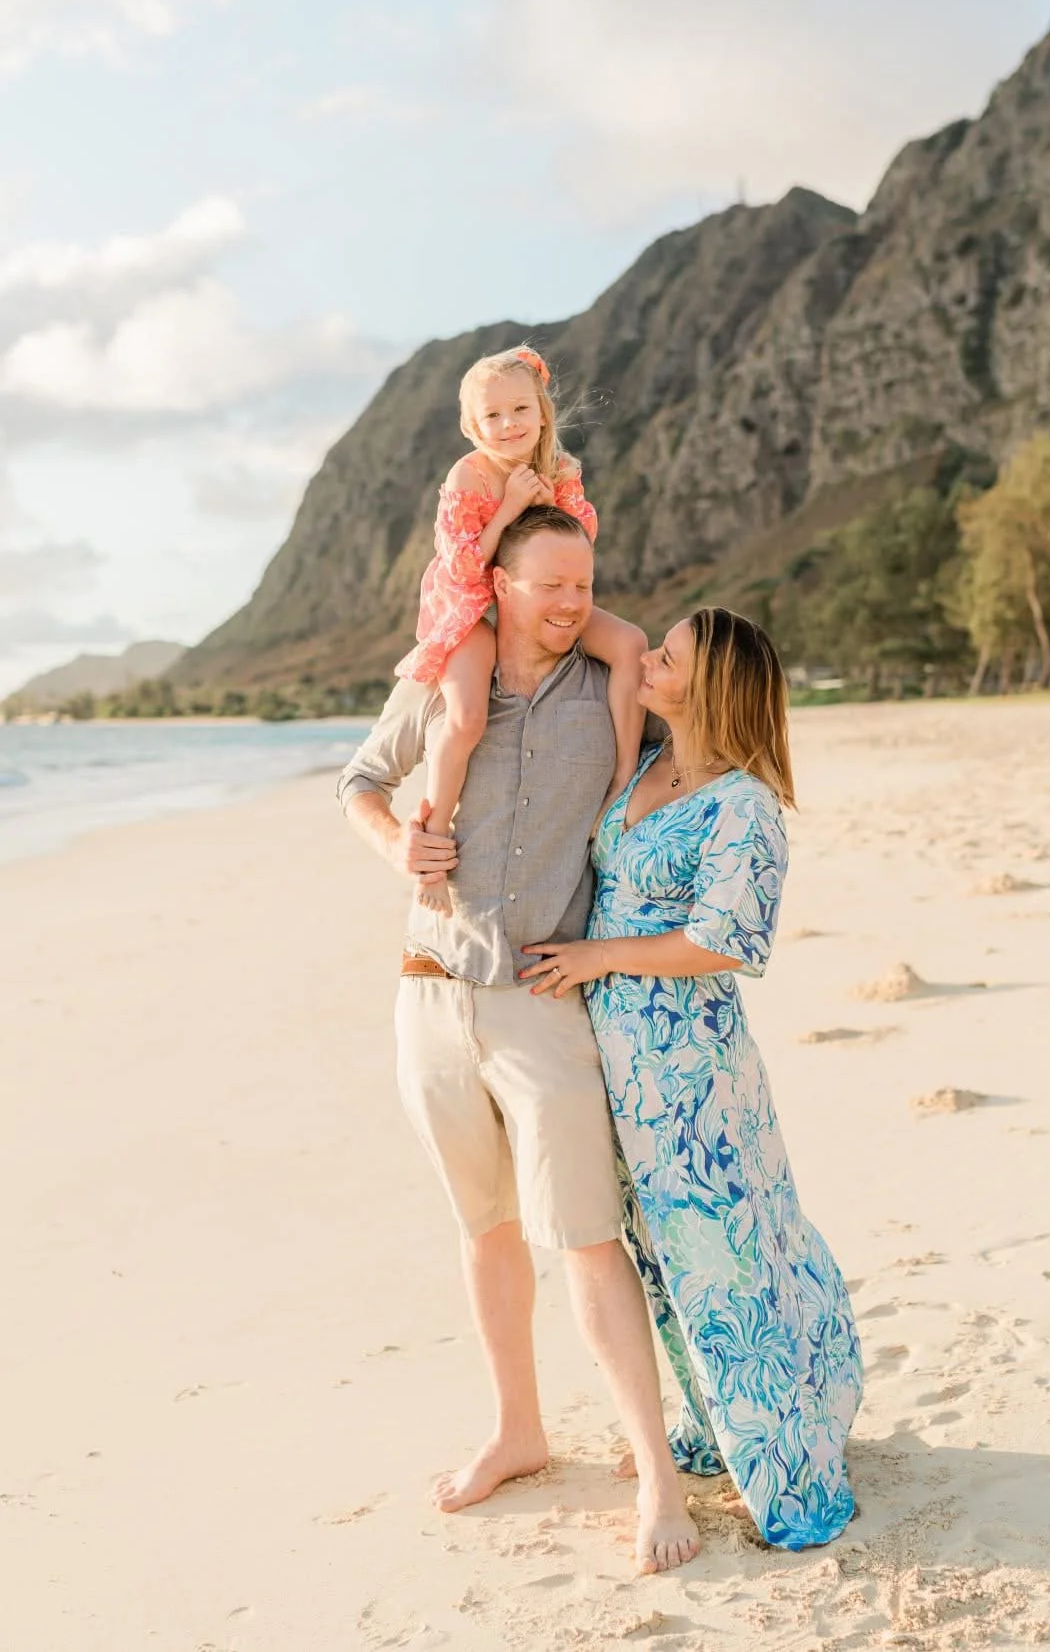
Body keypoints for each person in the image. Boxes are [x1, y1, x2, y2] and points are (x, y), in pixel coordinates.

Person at [336, 505, 699, 1574]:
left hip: (545, 1000)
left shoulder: (616, 688)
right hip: (431, 990)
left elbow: (695, 743)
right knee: (485, 1224)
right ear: (497, 585)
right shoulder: (445, 680)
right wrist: (392, 838)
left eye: (583, 581)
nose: (572, 600)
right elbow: (357, 781)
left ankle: (657, 1474)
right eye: (550, 584)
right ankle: (519, 1429)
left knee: (585, 1235)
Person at [521, 608, 863, 1550]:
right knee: (664, 1257)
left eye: (670, 658)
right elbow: (606, 631)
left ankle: (791, 1474)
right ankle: (720, 1427)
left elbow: (726, 940)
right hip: (617, 1064)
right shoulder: (643, 765)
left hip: (693, 1073)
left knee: (731, 1259)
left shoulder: (744, 804)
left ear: (708, 687)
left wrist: (596, 957)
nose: (651, 661)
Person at [393, 344, 647, 916]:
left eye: (520, 411)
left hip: (535, 601)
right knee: (466, 718)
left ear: (541, 414)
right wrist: (507, 508)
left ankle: (622, 782)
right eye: (492, 416)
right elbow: (463, 568)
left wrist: (548, 499)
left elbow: (576, 539)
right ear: (470, 425)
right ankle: (433, 850)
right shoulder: (468, 475)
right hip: (473, 604)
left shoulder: (560, 469)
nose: (508, 426)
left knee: (629, 643)